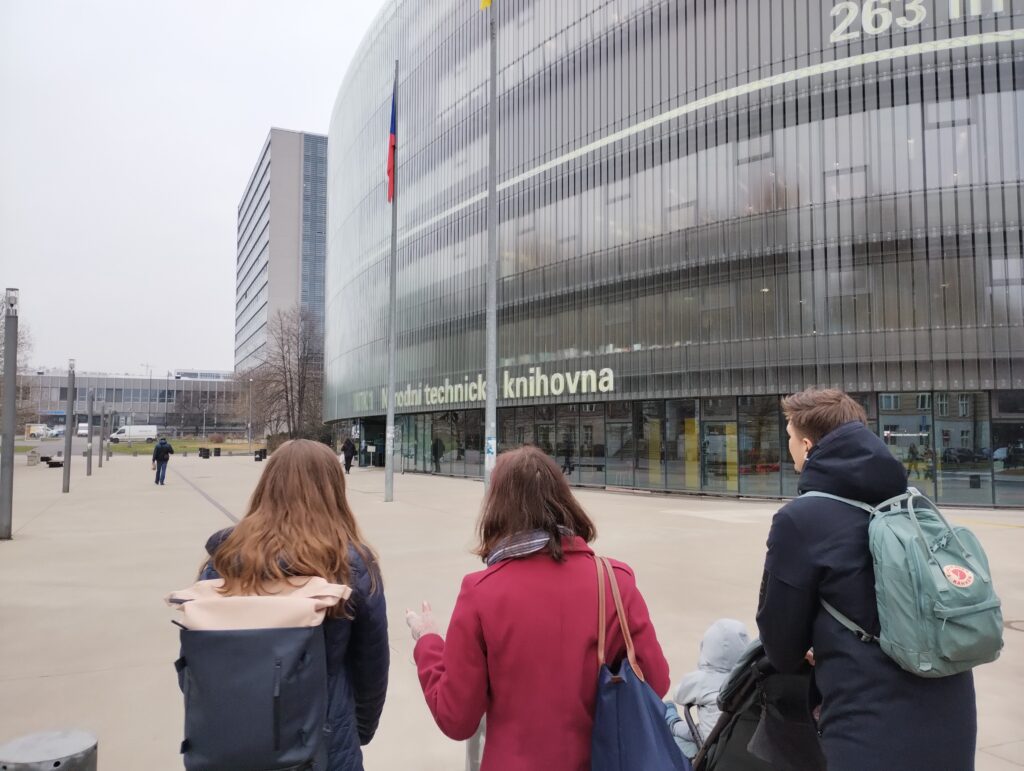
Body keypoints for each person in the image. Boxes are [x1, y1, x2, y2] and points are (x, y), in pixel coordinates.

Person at [405, 445, 671, 771]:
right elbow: (656, 682)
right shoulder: (615, 582)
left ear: (496, 509)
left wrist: (428, 641)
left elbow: (456, 718)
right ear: (564, 499)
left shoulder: (480, 592)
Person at [756, 388, 976, 771]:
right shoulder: (911, 502)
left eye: (789, 437)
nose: (788, 446)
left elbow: (781, 647)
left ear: (807, 446)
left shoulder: (801, 520)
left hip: (870, 727)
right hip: (952, 711)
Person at [199, 439, 389, 771]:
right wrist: (355, 731)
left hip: (233, 740)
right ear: (333, 491)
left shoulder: (223, 561)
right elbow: (371, 666)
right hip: (323, 742)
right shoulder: (351, 565)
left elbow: (200, 661)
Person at [664, 618, 750, 760]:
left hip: (709, 747)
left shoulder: (701, 679)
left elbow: (678, 695)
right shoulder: (750, 680)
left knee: (676, 729)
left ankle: (672, 721)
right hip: (742, 749)